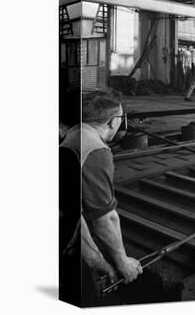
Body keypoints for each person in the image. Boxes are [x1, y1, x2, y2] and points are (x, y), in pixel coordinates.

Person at [60, 90, 142, 304]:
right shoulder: (95, 150)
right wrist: (123, 262)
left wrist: (95, 258)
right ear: (115, 121)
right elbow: (104, 218)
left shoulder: (73, 134)